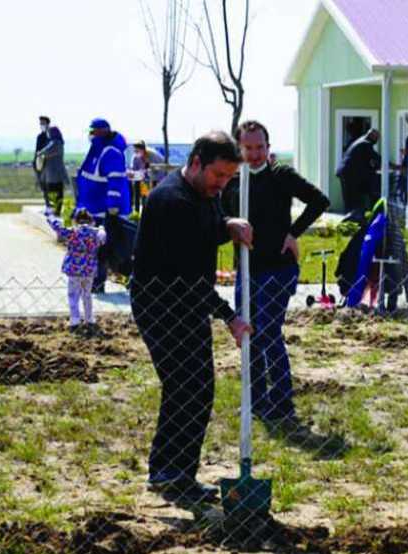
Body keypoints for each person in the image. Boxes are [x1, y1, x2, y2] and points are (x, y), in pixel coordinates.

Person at [130, 130, 253, 506]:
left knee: (198, 388)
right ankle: (170, 473)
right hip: (160, 303)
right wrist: (229, 317)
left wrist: (226, 225)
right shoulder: (170, 201)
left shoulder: (205, 195)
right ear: (196, 162)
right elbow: (186, 276)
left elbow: (205, 232)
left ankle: (176, 472)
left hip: (189, 301)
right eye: (219, 175)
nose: (223, 184)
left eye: (230, 178)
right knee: (184, 385)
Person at [221, 120, 331, 444]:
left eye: (260, 147)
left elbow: (319, 200)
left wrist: (292, 233)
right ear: (239, 149)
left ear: (268, 148)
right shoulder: (232, 182)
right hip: (246, 268)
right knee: (249, 333)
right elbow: (219, 215)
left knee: (268, 331)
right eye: (248, 148)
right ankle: (256, 400)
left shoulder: (281, 176)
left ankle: (281, 401)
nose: (254, 154)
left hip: (279, 269)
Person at [75, 118, 131, 293]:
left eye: (94, 131)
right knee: (98, 249)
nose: (91, 135)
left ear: (103, 131)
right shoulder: (97, 149)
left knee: (106, 250)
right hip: (93, 208)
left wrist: (113, 206)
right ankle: (96, 283)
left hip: (106, 211)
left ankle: (104, 282)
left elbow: (116, 181)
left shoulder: (111, 152)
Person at [45, 207, 107, 335]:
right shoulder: (95, 233)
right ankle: (89, 319)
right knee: (87, 295)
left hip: (74, 270)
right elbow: (103, 238)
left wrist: (50, 215)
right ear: (91, 221)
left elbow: (58, 228)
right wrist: (101, 228)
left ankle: (75, 321)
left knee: (73, 296)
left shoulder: (73, 232)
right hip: (89, 270)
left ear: (75, 220)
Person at [335, 128, 380, 218]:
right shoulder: (365, 143)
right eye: (377, 138)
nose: (377, 141)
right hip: (349, 174)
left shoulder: (360, 141)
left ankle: (352, 219)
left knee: (351, 198)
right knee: (352, 199)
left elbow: (365, 160)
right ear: (371, 136)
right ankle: (352, 221)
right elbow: (377, 158)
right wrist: (396, 167)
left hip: (347, 172)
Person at [34, 116, 67, 215]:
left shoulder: (56, 143)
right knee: (52, 192)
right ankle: (53, 210)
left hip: (55, 173)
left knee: (55, 192)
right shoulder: (53, 142)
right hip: (51, 173)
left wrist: (40, 154)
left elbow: (44, 152)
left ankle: (55, 211)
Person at [128, 140, 164, 213]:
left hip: (157, 176)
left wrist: (148, 174)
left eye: (138, 150)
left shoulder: (153, 155)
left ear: (143, 150)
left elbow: (160, 170)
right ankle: (136, 211)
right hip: (143, 177)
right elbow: (133, 170)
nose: (136, 152)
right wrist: (132, 174)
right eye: (135, 150)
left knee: (152, 192)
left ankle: (153, 211)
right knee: (136, 185)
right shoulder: (135, 157)